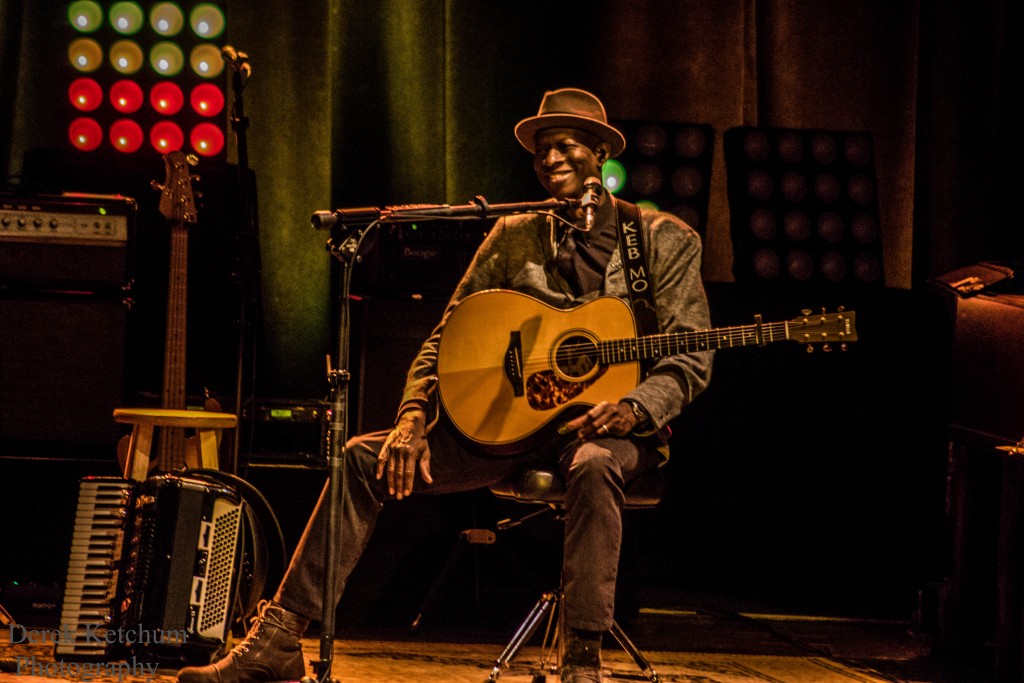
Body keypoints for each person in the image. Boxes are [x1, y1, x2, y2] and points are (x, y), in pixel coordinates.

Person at [177, 87, 714, 683]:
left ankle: (581, 658)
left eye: (565, 146)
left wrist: (636, 407)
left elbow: (691, 356)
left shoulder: (663, 240)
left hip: (612, 432)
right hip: (509, 428)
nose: (550, 159)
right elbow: (445, 339)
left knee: (590, 463)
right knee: (361, 459)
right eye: (541, 152)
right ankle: (278, 641)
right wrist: (411, 418)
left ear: (599, 156)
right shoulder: (514, 233)